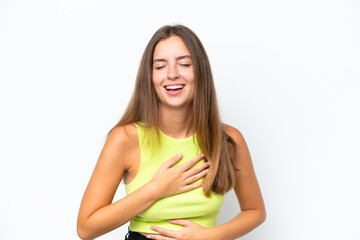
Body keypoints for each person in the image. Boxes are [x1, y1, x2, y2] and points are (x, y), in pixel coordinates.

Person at [77, 25, 266, 240]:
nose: (173, 74)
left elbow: (255, 211)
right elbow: (86, 228)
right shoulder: (125, 139)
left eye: (184, 64)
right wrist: (156, 189)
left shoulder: (229, 140)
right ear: (149, 77)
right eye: (160, 66)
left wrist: (208, 236)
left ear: (201, 72)